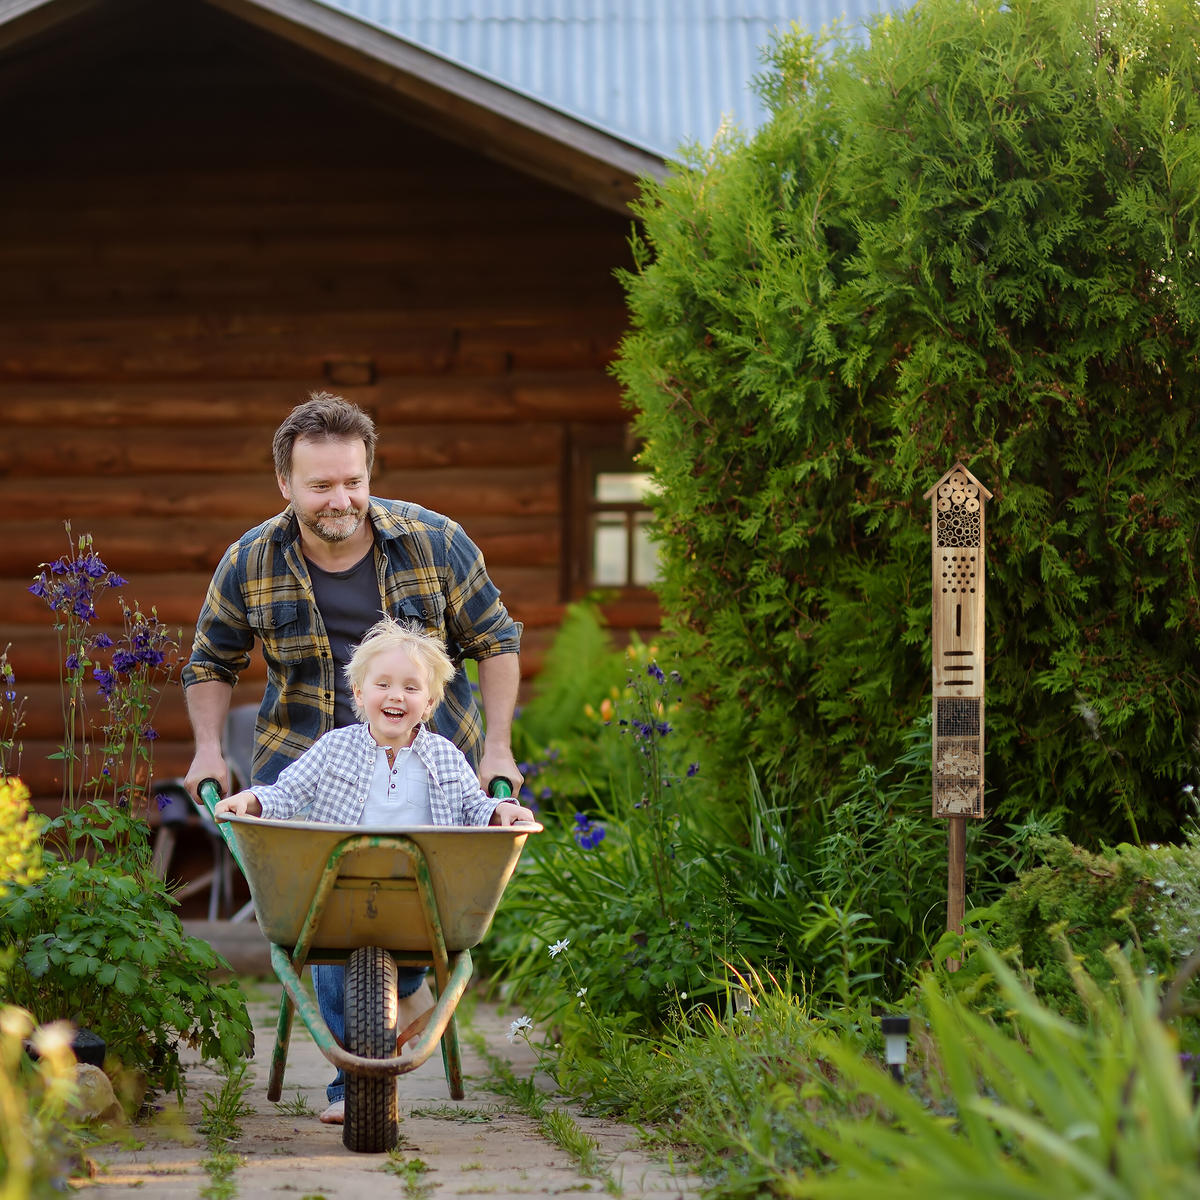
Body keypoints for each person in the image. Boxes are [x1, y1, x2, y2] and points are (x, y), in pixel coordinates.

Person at [182, 391, 526, 1124]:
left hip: (429, 777)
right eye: (320, 485)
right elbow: (210, 661)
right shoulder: (250, 560)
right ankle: (363, 1070)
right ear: (285, 484)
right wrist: (211, 753)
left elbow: (496, 641)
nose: (341, 500)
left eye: (354, 481)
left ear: (369, 472)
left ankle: (393, 1005)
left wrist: (497, 749)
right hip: (311, 774)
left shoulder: (434, 542)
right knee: (333, 924)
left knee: (401, 920)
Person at [214, 618, 535, 1124]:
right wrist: (251, 800)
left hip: (419, 907)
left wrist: (502, 813)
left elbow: (474, 808)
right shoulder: (333, 748)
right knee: (332, 968)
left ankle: (406, 995)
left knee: (394, 973)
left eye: (411, 688)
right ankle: (351, 1087)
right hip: (337, 903)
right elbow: (287, 792)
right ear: (359, 692)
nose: (396, 696)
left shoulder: (445, 758)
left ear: (429, 704)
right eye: (383, 684)